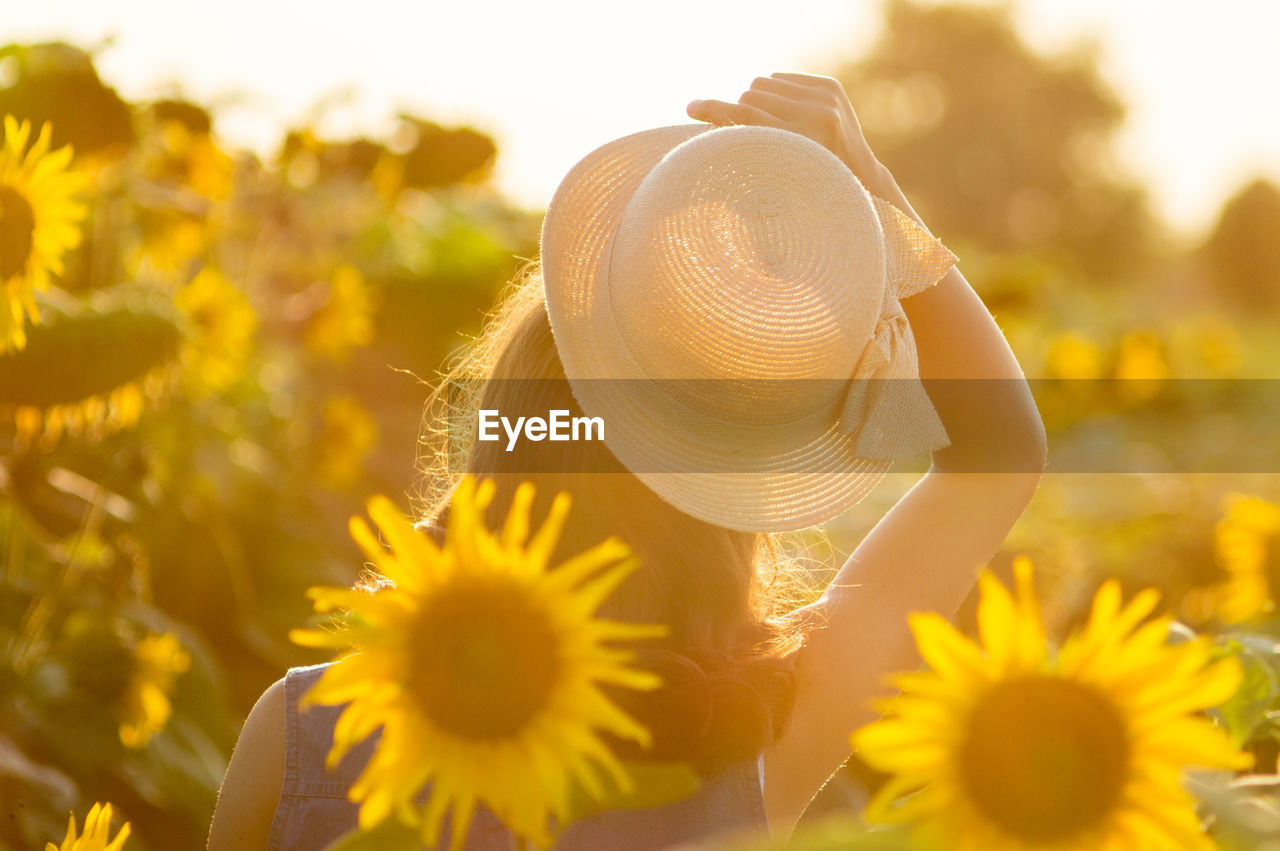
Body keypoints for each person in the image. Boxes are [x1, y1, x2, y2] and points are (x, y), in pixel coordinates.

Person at [208, 72, 1046, 849]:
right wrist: (874, 203)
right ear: (726, 497)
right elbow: (1000, 452)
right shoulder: (758, 741)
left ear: (502, 437)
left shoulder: (300, 736)